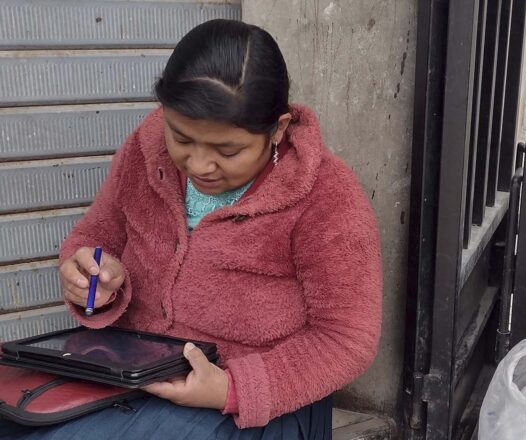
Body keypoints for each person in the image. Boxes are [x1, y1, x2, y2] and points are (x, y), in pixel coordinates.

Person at [0, 19, 382, 440]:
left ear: (278, 129)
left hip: (251, 402)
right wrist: (91, 275)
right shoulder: (146, 150)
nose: (199, 165)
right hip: (130, 373)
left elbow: (345, 339)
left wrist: (233, 388)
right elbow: (96, 236)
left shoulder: (326, 196)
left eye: (227, 150)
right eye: (181, 137)